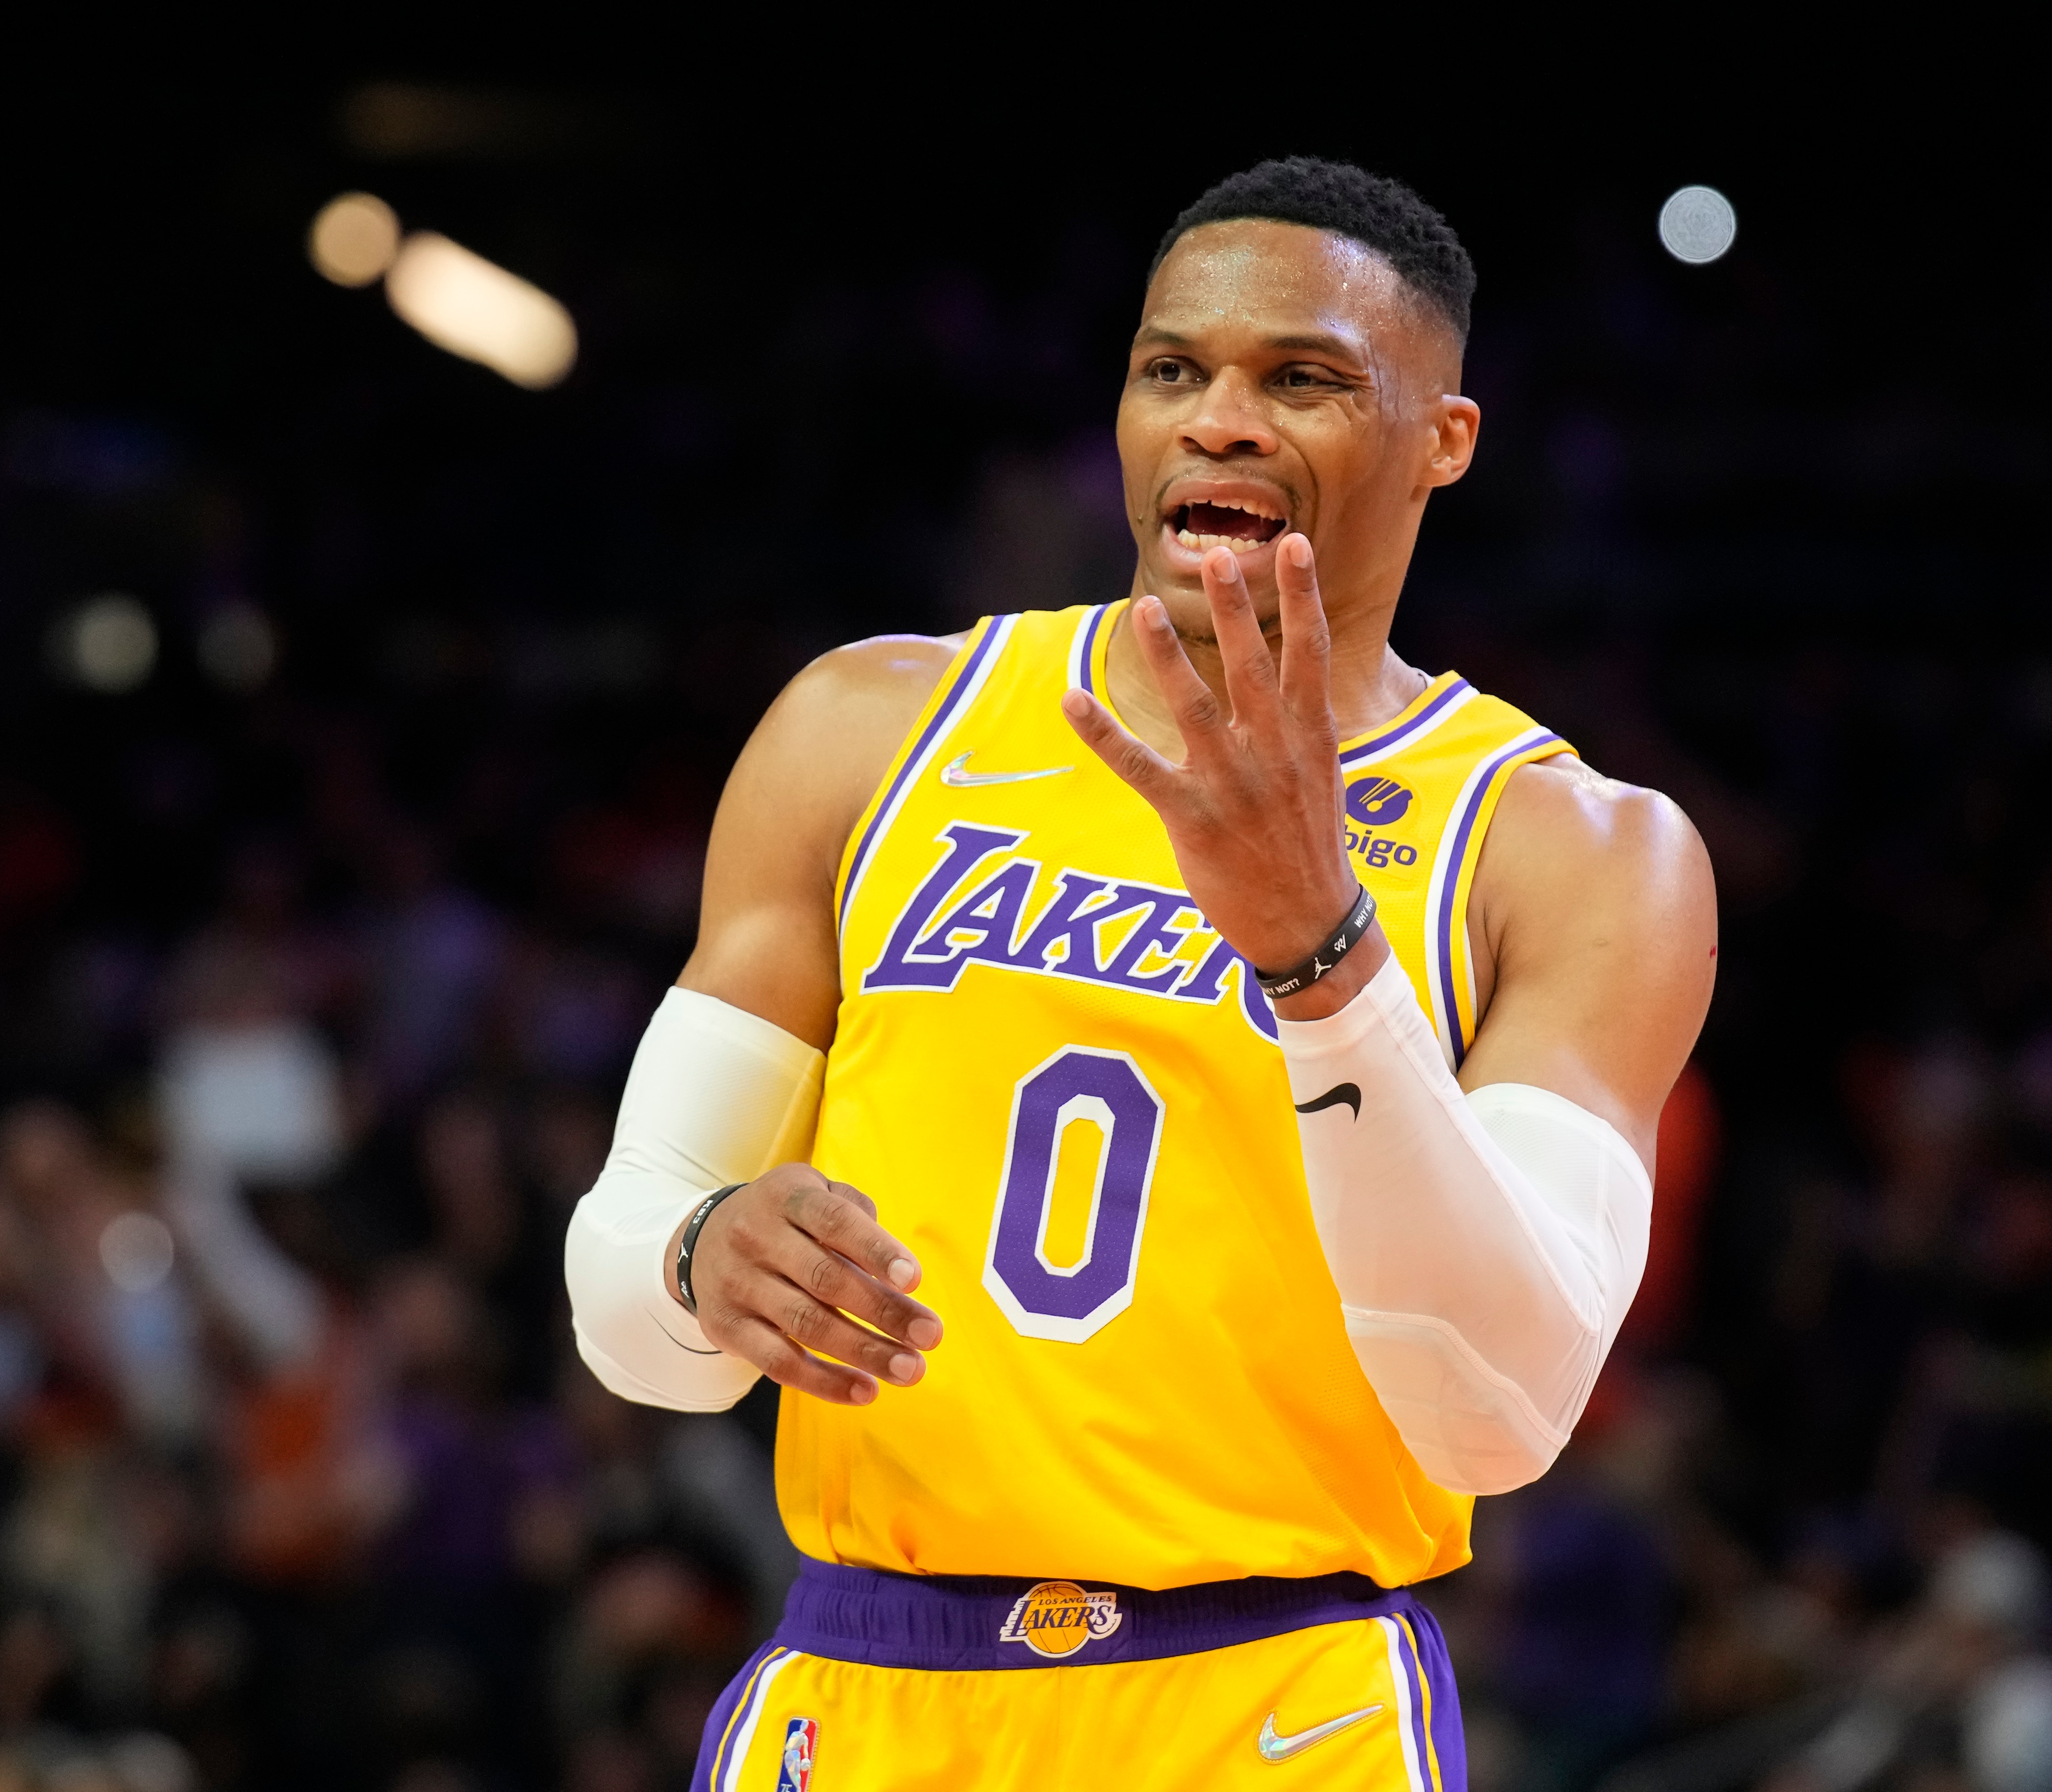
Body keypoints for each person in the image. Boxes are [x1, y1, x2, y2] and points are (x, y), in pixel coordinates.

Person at [567, 157, 1716, 1788]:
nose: (1220, 421)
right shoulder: (872, 729)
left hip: (1272, 1700)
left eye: (1302, 380)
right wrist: (705, 1253)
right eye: (1173, 368)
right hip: (867, 1678)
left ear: (1443, 442)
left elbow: (1499, 1416)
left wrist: (1325, 961)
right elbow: (623, 1297)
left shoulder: (1573, 849)